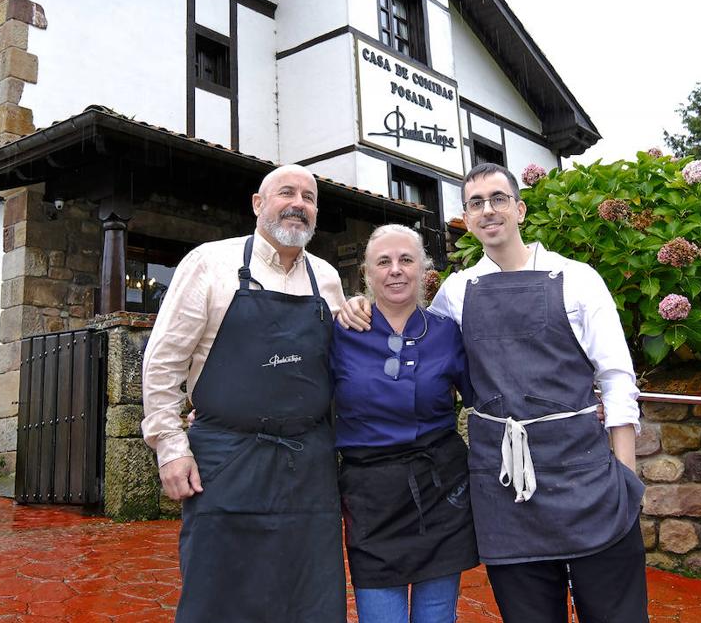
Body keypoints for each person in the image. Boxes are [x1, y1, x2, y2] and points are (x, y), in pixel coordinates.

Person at [340, 163, 648, 623]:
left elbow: (617, 378)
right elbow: (414, 330)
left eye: (498, 199)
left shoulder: (578, 279)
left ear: (520, 209)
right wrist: (359, 306)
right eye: (475, 203)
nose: (488, 210)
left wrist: (627, 478)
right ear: (466, 216)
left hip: (587, 481)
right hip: (505, 494)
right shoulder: (458, 294)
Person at [141, 164, 346, 623]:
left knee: (308, 599)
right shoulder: (209, 263)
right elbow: (163, 362)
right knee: (219, 596)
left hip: (308, 464)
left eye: (309, 197)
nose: (298, 204)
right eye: (285, 193)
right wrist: (170, 448)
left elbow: (345, 368)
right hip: (225, 460)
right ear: (258, 204)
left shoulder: (328, 279)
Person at [332, 224, 479, 623]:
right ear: (367, 272)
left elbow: (486, 398)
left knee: (436, 615)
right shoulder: (340, 331)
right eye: (384, 262)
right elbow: (304, 396)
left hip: (441, 489)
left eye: (406, 260)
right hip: (371, 497)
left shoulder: (448, 333)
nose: (395, 270)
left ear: (422, 269)